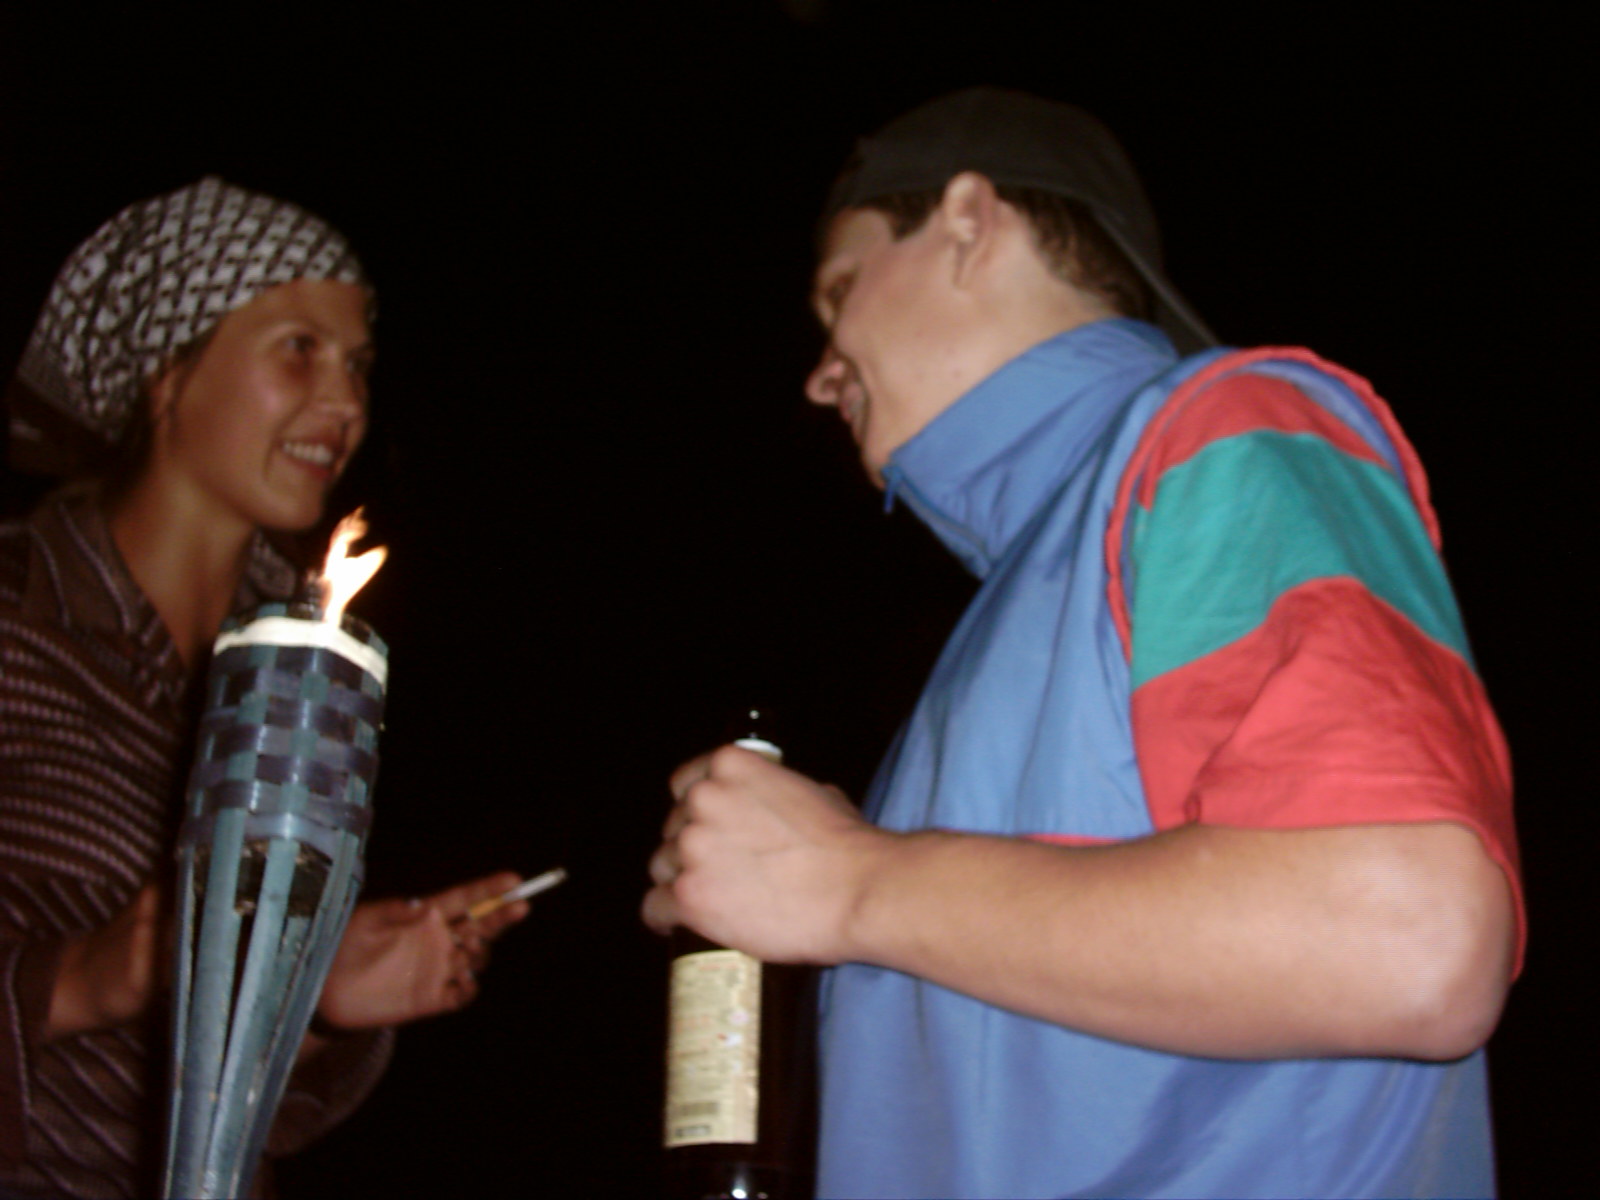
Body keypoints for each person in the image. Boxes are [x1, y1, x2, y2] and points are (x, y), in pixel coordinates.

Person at [643, 88, 1521, 1199]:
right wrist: (799, 873)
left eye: (840, 289)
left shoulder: (1220, 432)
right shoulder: (1011, 616)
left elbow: (1405, 938)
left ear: (969, 224)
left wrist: (845, 880)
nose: (819, 373)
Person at [0, 177, 527, 1199]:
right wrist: (85, 978)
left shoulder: (299, 689)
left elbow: (244, 1115)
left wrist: (317, 995)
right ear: (168, 375)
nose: (348, 404)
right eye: (299, 349)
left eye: (358, 364)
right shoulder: (20, 617)